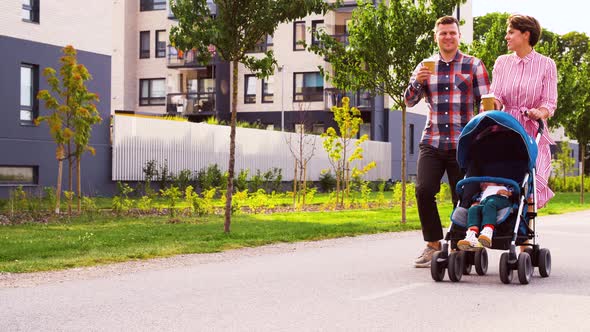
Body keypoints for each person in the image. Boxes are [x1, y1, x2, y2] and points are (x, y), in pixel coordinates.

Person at [404, 16, 491, 268]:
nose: (448, 37)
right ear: (436, 37)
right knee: (423, 190)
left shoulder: (473, 65)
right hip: (432, 140)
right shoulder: (425, 66)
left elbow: (487, 104)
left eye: (452, 33)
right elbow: (409, 101)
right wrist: (416, 82)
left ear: (459, 36)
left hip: (464, 143)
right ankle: (432, 244)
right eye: (443, 33)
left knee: (461, 196)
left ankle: (458, 243)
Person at [488, 14, 557, 209]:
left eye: (511, 32)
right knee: (505, 179)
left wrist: (540, 112)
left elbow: (550, 102)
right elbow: (497, 94)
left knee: (530, 184)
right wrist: (492, 102)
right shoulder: (502, 62)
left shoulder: (547, 64)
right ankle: (501, 225)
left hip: (533, 130)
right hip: (506, 127)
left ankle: (525, 236)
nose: (506, 37)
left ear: (526, 34)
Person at [457, 182, 513, 251]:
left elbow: (512, 193)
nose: (483, 183)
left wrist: (506, 192)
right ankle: (471, 235)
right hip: (485, 202)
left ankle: (488, 231)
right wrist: (475, 203)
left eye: (486, 181)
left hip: (501, 200)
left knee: (490, 203)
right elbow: (477, 200)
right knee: (473, 209)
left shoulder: (503, 187)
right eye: (481, 183)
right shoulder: (482, 193)